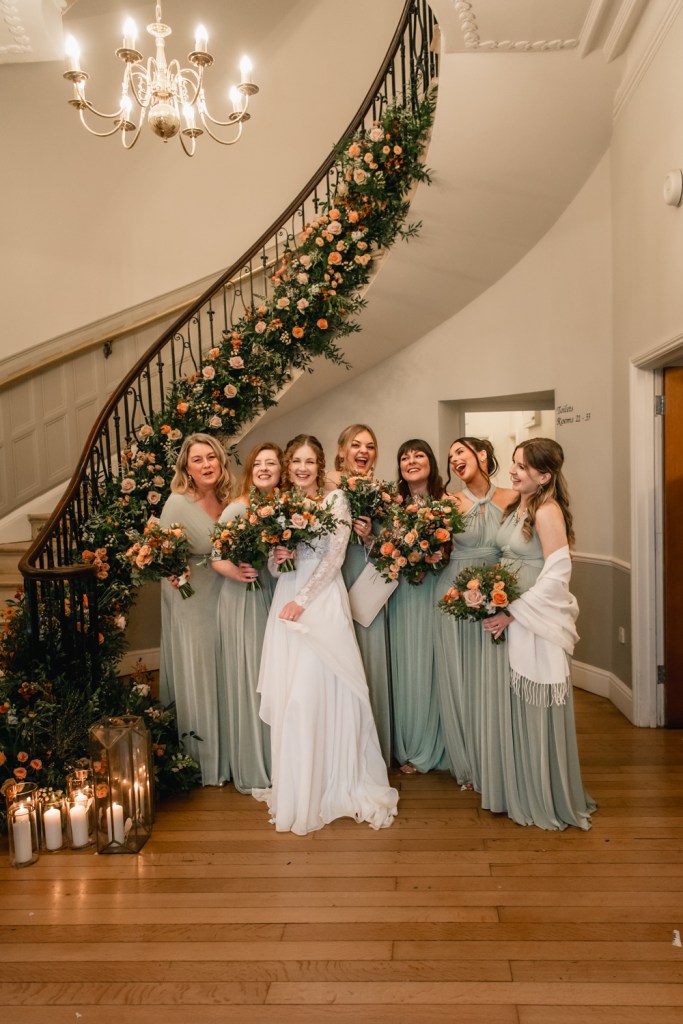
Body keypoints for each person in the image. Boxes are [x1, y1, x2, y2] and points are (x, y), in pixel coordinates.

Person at [253, 434, 398, 835]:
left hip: (320, 601)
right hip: (287, 595)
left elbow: (335, 557)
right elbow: (273, 560)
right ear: (288, 465)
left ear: (321, 466)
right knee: (291, 693)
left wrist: (303, 599)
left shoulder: (336, 501)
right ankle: (299, 786)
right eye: (295, 460)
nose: (302, 468)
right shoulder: (279, 505)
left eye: (309, 462)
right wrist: (277, 558)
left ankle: (334, 780)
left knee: (317, 688)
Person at [483, 437, 596, 830]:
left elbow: (557, 575)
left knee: (533, 709)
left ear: (544, 475)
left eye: (522, 466)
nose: (513, 470)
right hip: (511, 611)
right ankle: (516, 789)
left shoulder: (547, 511)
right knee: (512, 707)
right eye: (513, 463)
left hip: (532, 621)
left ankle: (541, 795)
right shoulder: (520, 505)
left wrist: (514, 613)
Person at [434, 437, 516, 793]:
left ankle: (498, 756)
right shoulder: (448, 502)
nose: (454, 460)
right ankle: (467, 760)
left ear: (481, 455)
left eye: (460, 453)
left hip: (500, 595)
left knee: (496, 675)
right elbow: (438, 549)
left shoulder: (513, 498)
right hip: (455, 593)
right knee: (461, 672)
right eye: (450, 457)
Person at [159, 433, 232, 786]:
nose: (206, 465)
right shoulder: (177, 503)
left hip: (229, 594)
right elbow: (160, 553)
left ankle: (233, 750)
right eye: (198, 459)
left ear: (221, 461)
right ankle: (205, 759)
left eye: (211, 457)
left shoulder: (228, 498)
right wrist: (175, 577)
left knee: (226, 670)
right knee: (201, 671)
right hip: (193, 599)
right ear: (186, 468)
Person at [211, 442, 283, 794]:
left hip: (272, 594)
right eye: (260, 463)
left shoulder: (283, 509)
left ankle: (280, 757)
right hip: (243, 597)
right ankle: (255, 763)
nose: (265, 468)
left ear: (281, 471)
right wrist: (235, 573)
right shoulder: (236, 509)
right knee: (252, 676)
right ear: (251, 470)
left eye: (272, 463)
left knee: (276, 676)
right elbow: (216, 557)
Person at [326, 423, 392, 763]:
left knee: (370, 657)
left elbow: (392, 548)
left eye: (369, 446)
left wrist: (368, 537)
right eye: (356, 445)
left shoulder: (382, 492)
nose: (363, 451)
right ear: (341, 451)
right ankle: (341, 745)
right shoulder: (326, 484)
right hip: (334, 577)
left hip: (368, 580)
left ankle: (373, 744)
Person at [387, 439, 448, 774]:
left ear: (431, 462)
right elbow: (380, 550)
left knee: (434, 664)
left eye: (418, 455)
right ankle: (407, 744)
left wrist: (440, 554)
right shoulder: (392, 507)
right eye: (404, 457)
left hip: (434, 592)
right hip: (402, 596)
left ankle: (435, 743)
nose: (411, 461)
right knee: (406, 664)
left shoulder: (447, 503)